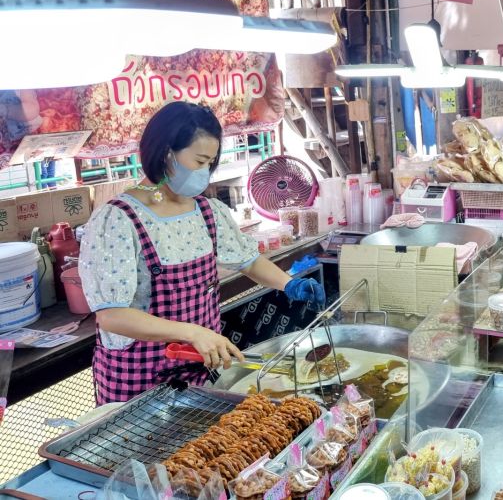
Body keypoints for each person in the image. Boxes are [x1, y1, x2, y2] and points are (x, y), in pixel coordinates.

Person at [79, 103, 326, 405]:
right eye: (198, 161)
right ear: (166, 152)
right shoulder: (118, 219)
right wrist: (191, 332)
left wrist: (288, 284)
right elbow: (112, 316)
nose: (204, 173)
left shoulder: (206, 212)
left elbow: (247, 260)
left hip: (198, 371)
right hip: (137, 380)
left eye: (210, 163)